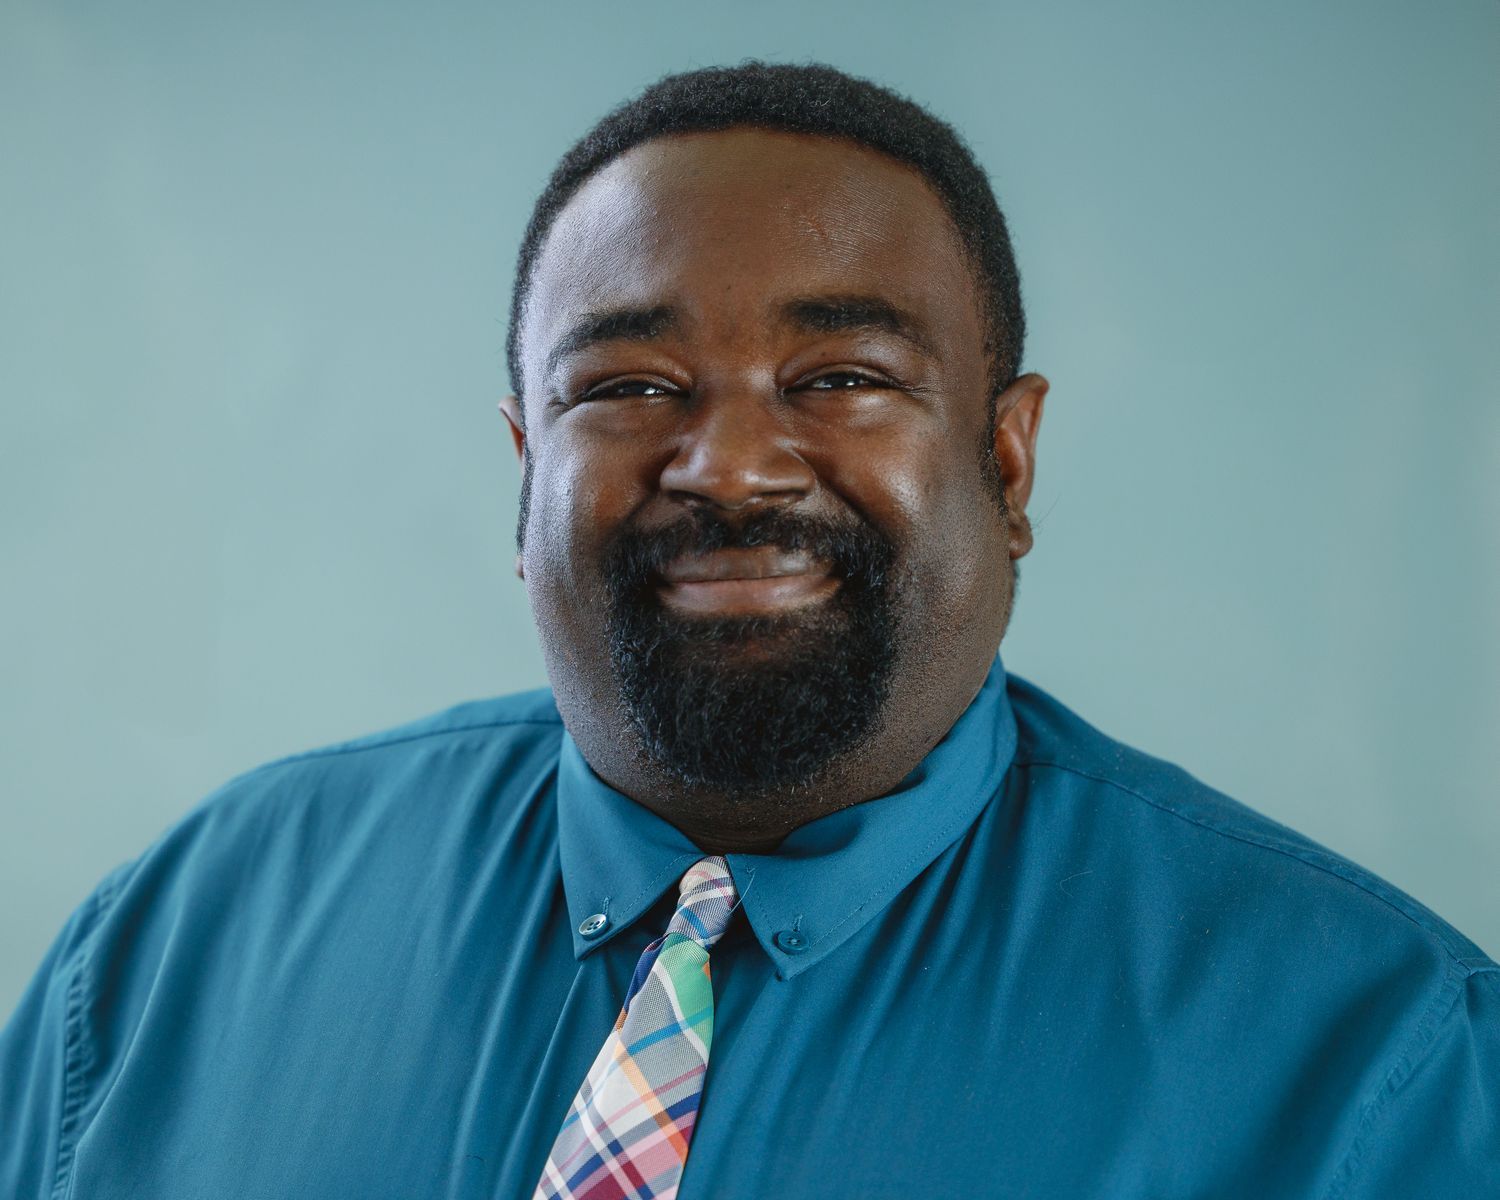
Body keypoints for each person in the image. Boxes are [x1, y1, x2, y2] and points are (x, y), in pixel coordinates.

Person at [2, 61, 1496, 1199]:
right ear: (528, 476)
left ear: (1008, 459)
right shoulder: (184, 939)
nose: (725, 464)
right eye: (629, 386)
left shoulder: (1376, 1057)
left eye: (840, 374)